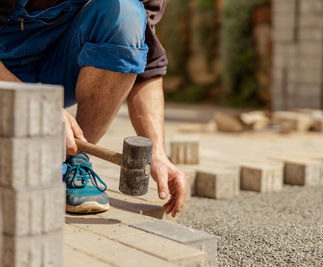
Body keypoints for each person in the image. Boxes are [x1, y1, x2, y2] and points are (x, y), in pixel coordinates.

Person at [0, 0, 186, 217]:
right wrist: (37, 103)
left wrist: (157, 152)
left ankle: (74, 159)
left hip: (57, 61)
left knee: (126, 13)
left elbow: (146, 65)